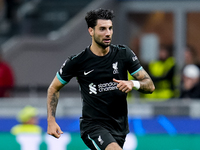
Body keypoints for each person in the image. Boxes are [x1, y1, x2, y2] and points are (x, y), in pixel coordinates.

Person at [47, 8, 155, 150]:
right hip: (93, 126)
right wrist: (51, 120)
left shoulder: (124, 54)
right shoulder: (78, 61)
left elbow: (150, 85)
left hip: (119, 127)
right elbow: (54, 88)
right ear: (91, 31)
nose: (108, 33)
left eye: (110, 28)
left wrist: (133, 83)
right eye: (102, 29)